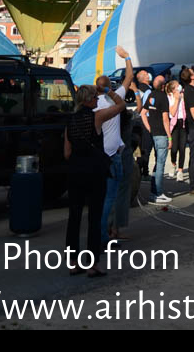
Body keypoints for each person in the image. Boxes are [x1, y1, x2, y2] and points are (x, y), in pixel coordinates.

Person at [63, 81, 125, 276]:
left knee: (74, 216)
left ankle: (73, 261)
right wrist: (108, 90)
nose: (98, 99)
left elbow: (67, 152)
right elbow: (121, 106)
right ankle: (92, 264)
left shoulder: (70, 121)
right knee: (94, 216)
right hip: (94, 171)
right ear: (89, 100)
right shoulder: (97, 117)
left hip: (75, 171)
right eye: (96, 97)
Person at [95, 50, 132, 244]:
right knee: (112, 196)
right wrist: (126, 57)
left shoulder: (93, 104)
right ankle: (105, 233)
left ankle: (105, 231)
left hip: (99, 155)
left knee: (102, 197)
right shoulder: (114, 99)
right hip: (113, 154)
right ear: (109, 87)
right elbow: (129, 77)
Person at [147, 73, 171, 208]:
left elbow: (144, 113)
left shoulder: (151, 95)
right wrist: (170, 136)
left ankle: (153, 192)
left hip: (154, 133)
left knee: (157, 164)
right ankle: (158, 193)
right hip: (162, 133)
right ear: (163, 86)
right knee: (161, 164)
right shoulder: (163, 97)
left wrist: (149, 127)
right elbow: (165, 118)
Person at [166, 78, 187, 181]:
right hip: (173, 125)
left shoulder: (183, 95)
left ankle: (180, 170)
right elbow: (172, 113)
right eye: (177, 85)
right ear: (173, 89)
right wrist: (177, 99)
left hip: (182, 123)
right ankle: (173, 164)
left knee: (182, 148)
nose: (179, 87)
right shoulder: (169, 98)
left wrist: (182, 98)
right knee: (174, 149)